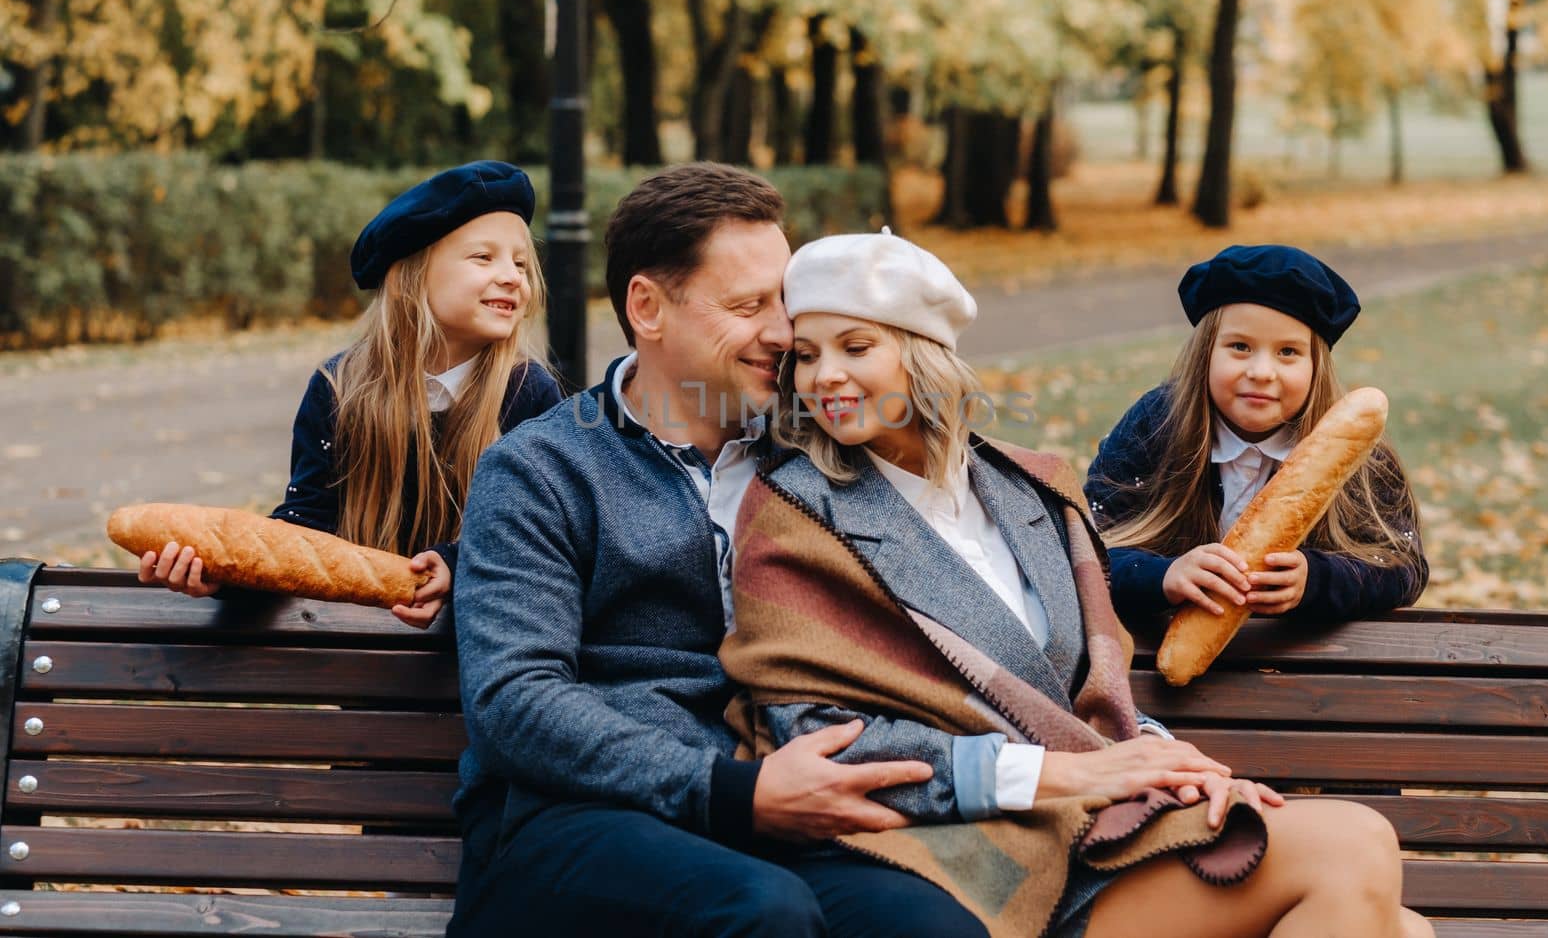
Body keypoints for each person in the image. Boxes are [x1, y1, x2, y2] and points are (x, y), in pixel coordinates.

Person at [721, 229, 1434, 938]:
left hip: (1099, 828)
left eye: (855, 348)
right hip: (962, 853)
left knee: (1388, 907)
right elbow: (817, 737)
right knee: (1364, 869)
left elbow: (1093, 687)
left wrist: (1174, 765)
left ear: (922, 355)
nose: (824, 379)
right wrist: (1062, 776)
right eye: (806, 357)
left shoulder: (1031, 488)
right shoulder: (794, 514)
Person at [447, 163, 978, 938]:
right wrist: (732, 789)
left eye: (784, 304)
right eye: (747, 305)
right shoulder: (543, 469)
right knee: (762, 913)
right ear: (648, 307)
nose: (783, 333)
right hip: (573, 822)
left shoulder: (813, 458)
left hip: (770, 811)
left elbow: (977, 530)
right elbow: (515, 702)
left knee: (931, 927)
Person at [137, 161, 562, 629]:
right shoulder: (340, 389)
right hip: (359, 651)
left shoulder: (528, 393)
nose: (511, 277)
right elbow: (305, 532)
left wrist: (457, 565)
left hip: (484, 654)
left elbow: (538, 535)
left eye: (521, 263)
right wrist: (221, 573)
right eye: (484, 257)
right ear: (412, 277)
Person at [1085, 244, 1427, 627]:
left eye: (1287, 352)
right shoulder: (1157, 424)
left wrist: (1315, 580)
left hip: (1302, 670)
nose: (1262, 371)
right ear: (1206, 353)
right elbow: (1082, 548)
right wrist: (1161, 577)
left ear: (1316, 366)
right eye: (1240, 347)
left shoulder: (1360, 453)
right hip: (1154, 663)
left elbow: (1404, 567)